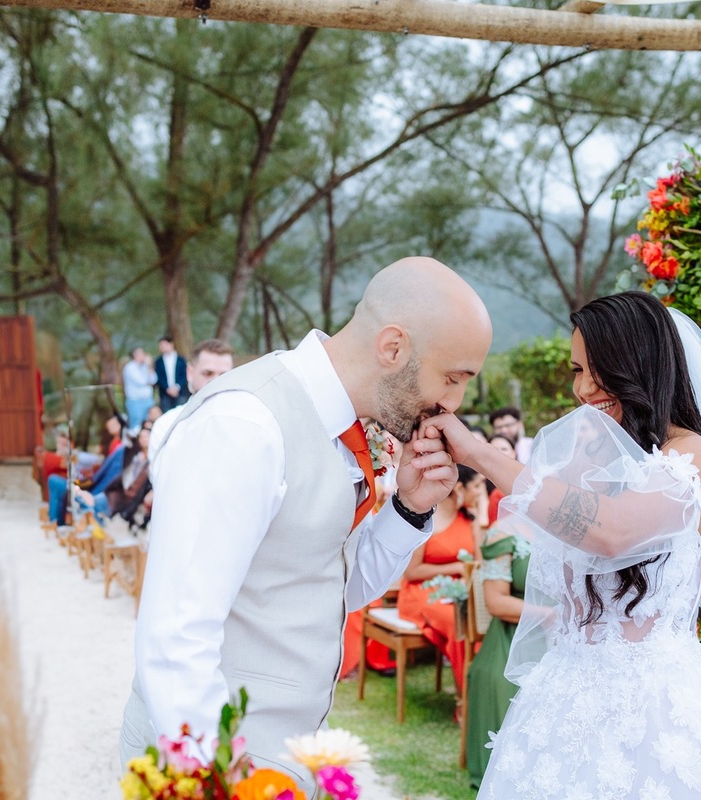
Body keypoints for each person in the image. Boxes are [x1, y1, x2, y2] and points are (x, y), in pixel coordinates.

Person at [424, 292, 701, 799]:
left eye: (597, 369)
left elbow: (611, 532)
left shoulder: (695, 457)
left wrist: (479, 453)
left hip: (657, 711)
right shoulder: (587, 455)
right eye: (576, 370)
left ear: (638, 365)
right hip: (561, 703)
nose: (583, 388)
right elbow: (538, 529)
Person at [121, 257, 492, 788]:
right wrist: (220, 781)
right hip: (223, 765)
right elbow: (177, 634)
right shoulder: (246, 424)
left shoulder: (341, 426)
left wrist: (408, 508)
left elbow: (330, 585)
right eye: (452, 379)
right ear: (393, 348)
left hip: (287, 760)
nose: (452, 405)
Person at [397, 464, 485, 695]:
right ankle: (465, 698)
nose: (480, 492)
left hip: (460, 590)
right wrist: (455, 567)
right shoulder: (428, 518)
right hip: (423, 591)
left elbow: (479, 564)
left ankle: (482, 691)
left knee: (482, 620)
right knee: (458, 624)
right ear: (458, 488)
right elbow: (412, 572)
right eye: (476, 486)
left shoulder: (471, 518)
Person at [465, 516, 530, 786]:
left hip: (566, 638)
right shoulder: (505, 532)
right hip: (511, 637)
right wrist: (551, 616)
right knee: (501, 681)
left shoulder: (569, 529)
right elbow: (496, 602)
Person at [148, 340, 236, 456]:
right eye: (207, 373)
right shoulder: (166, 427)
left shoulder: (245, 424)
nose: (216, 382)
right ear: (190, 373)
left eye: (223, 375)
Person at [484, 434, 515, 525]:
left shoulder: (523, 480)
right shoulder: (479, 482)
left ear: (513, 452)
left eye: (504, 449)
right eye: (494, 450)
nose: (500, 453)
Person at [123, 347, 157, 431]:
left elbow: (154, 380)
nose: (143, 356)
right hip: (135, 401)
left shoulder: (146, 366)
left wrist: (149, 366)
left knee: (149, 423)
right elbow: (141, 381)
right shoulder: (130, 367)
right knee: (136, 425)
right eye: (141, 353)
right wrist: (148, 382)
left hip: (148, 400)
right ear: (134, 355)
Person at [154, 336, 190, 412]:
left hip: (180, 393)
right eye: (161, 346)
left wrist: (176, 387)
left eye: (164, 345)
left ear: (171, 344)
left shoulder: (181, 360)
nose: (162, 347)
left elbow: (184, 375)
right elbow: (158, 377)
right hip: (165, 394)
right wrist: (168, 388)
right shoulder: (158, 361)